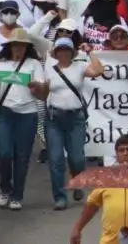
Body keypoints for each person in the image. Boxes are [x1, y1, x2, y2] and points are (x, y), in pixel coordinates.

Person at [0, 28, 48, 210]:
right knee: (3, 153)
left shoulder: (34, 64)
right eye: (15, 46)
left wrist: (36, 86)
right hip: (6, 112)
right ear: (10, 47)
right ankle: (5, 188)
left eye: (22, 46)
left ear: (27, 47)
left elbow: (43, 95)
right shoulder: (0, 64)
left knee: (22, 156)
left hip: (28, 115)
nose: (18, 49)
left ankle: (17, 195)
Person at [44, 39, 103, 209]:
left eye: (67, 50)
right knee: (55, 159)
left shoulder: (79, 67)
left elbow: (99, 70)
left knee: (77, 158)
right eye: (60, 50)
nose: (63, 53)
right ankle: (59, 197)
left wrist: (90, 51)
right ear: (56, 52)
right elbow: (41, 91)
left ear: (72, 52)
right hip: (54, 118)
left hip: (75, 118)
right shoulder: (48, 69)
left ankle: (77, 181)